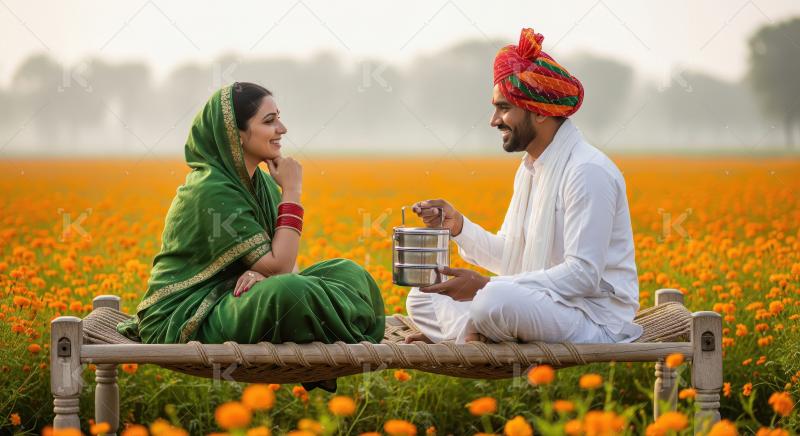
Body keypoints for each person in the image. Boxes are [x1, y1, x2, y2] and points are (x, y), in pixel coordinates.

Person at [117, 82, 385, 392]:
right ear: (237, 134)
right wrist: (293, 191)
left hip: (236, 297)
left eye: (278, 118)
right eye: (269, 121)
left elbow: (284, 267)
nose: (282, 128)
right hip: (188, 316)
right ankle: (345, 326)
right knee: (288, 291)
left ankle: (334, 323)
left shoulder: (262, 184)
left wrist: (261, 272)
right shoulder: (210, 190)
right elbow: (283, 270)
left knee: (348, 272)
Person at [405, 28, 643, 345]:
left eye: (504, 107)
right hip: (542, 306)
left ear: (541, 112)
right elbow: (511, 256)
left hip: (592, 317)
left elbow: (584, 275)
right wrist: (459, 227)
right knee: (422, 295)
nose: (494, 120)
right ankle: (471, 333)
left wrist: (483, 287)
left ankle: (469, 332)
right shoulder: (530, 168)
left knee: (495, 299)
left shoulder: (587, 171)